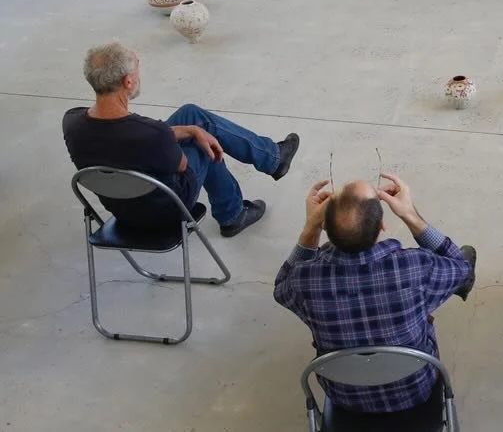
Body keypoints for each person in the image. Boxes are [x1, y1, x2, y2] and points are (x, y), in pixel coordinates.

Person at [274, 174, 474, 419]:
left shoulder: (303, 281)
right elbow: (463, 267)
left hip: (346, 398)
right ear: (382, 227)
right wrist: (410, 214)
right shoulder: (416, 267)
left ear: (325, 226)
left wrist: (309, 229)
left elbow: (281, 285)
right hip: (416, 392)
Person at [63, 41, 298, 237]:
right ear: (128, 82)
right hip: (165, 210)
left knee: (192, 115)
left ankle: (272, 160)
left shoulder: (71, 121)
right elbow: (178, 163)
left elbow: (129, 138)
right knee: (205, 142)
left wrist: (190, 129)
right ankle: (233, 213)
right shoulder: (152, 133)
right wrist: (195, 135)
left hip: (123, 208)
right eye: (137, 68)